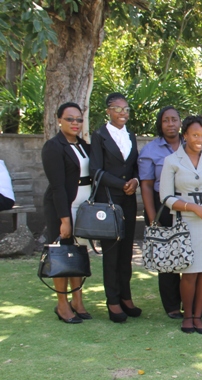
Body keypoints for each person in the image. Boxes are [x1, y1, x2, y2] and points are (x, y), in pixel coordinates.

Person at [160, 115, 202, 334]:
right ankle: (187, 316)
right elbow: (166, 197)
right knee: (189, 272)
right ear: (185, 135)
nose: (200, 139)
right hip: (185, 220)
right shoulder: (172, 161)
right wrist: (191, 207)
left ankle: (198, 316)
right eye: (195, 134)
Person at [89, 93, 140, 323]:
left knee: (127, 251)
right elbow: (96, 171)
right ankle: (112, 301)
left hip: (129, 200)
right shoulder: (99, 135)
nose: (123, 113)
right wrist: (122, 184)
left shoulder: (131, 135)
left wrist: (136, 182)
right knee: (112, 252)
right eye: (118, 109)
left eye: (126, 109)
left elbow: (135, 165)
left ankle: (126, 297)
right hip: (108, 199)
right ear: (108, 111)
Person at [41, 102, 92, 323]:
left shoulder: (83, 145)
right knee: (62, 255)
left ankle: (77, 301)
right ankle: (62, 305)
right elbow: (57, 186)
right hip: (62, 207)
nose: (75, 123)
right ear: (59, 119)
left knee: (79, 254)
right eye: (70, 119)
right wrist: (64, 220)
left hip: (83, 208)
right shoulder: (53, 147)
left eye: (78, 119)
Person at [138, 106, 184, 319]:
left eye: (174, 119)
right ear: (160, 124)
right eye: (166, 120)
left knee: (191, 253)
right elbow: (146, 185)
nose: (170, 124)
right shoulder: (150, 150)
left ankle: (192, 303)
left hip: (191, 204)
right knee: (168, 255)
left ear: (180, 122)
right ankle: (172, 305)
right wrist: (151, 216)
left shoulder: (190, 143)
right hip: (163, 205)